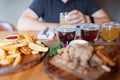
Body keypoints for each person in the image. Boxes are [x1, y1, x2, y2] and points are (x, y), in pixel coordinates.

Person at [17, 0, 111, 31]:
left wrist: (87, 19)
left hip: (79, 45)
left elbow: (108, 21)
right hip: (51, 46)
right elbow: (21, 23)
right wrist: (59, 27)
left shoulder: (86, 0)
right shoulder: (43, 0)